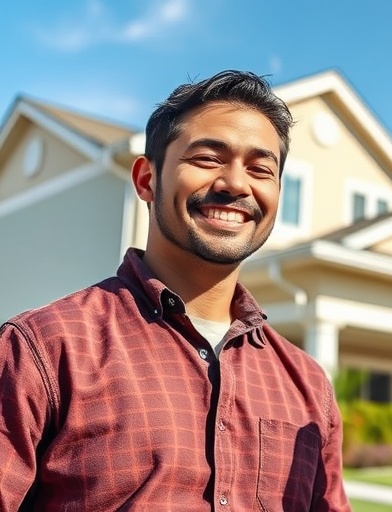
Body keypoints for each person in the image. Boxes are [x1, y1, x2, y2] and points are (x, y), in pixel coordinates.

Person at [0, 70, 351, 511]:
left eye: (261, 169)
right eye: (207, 159)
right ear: (147, 179)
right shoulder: (43, 350)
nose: (236, 185)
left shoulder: (308, 384)